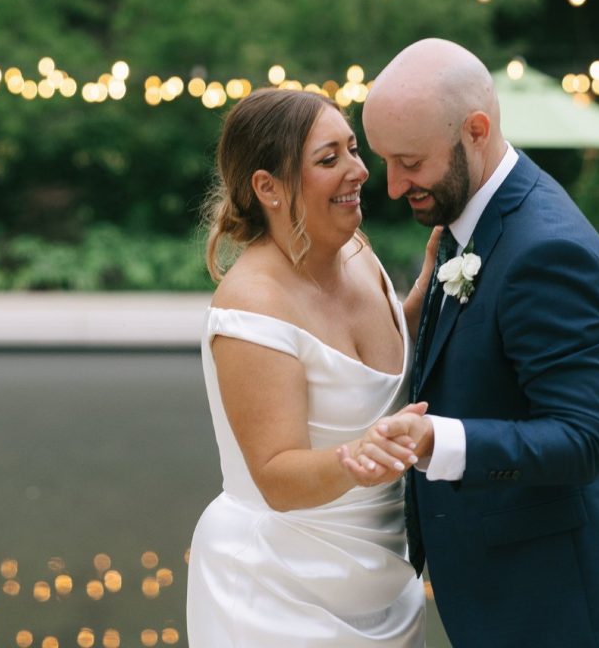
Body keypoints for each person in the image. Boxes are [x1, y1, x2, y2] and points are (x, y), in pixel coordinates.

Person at [340, 38, 599, 648]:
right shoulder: (468, 220)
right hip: (506, 584)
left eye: (409, 161)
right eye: (385, 160)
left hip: (553, 601)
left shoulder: (547, 250)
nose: (391, 185)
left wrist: (441, 439)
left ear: (476, 131)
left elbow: (584, 438)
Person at [186, 87, 437, 647]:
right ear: (268, 188)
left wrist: (430, 293)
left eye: (352, 150)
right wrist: (356, 460)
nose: (359, 171)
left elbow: (374, 371)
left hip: (386, 584)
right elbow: (275, 474)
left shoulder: (358, 253)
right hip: (275, 592)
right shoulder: (251, 306)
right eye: (329, 159)